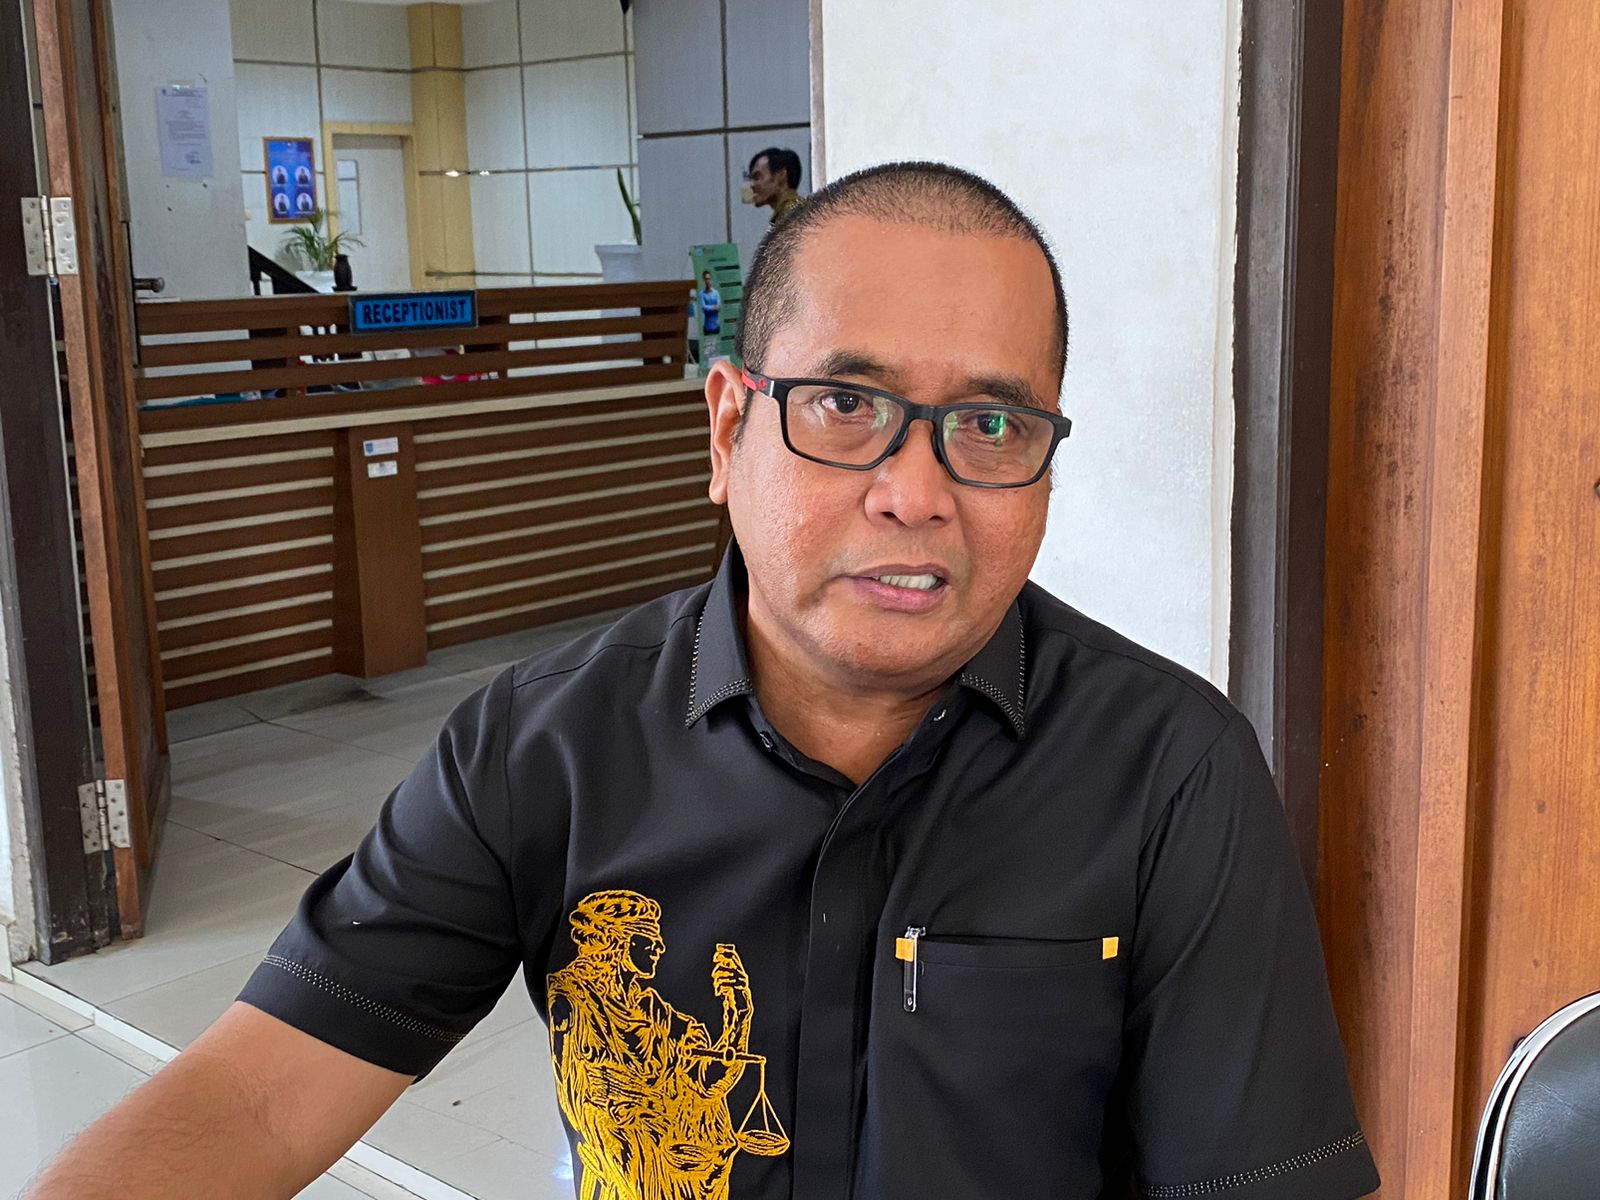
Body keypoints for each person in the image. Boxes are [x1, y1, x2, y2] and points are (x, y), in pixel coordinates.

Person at [28, 161, 1379, 1200]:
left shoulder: (1170, 771)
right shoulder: (541, 746)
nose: (916, 493)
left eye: (989, 423)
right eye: (844, 405)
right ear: (728, 429)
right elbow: (259, 1098)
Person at [746, 148, 802, 224]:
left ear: (781, 175)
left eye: (757, 177)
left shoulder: (793, 215)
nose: (752, 185)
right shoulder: (792, 212)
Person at [700, 270, 723, 338]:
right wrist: (714, 307)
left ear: (711, 279)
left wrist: (709, 307)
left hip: (716, 327)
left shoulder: (716, 293)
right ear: (704, 280)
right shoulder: (701, 294)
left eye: (709, 279)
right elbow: (703, 308)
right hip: (707, 328)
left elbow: (718, 308)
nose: (708, 281)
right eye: (706, 279)